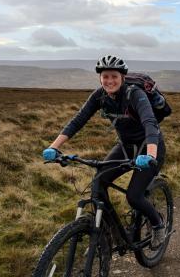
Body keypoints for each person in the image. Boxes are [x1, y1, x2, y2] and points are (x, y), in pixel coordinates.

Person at [42, 54, 166, 249]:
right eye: (105, 76)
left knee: (134, 196)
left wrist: (150, 154)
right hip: (126, 146)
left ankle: (158, 224)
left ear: (122, 77)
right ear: (100, 78)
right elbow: (78, 120)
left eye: (114, 76)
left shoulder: (134, 94)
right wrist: (53, 147)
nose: (109, 81)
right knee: (99, 182)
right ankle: (104, 232)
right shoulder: (99, 95)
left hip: (150, 146)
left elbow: (150, 123)